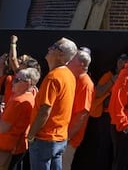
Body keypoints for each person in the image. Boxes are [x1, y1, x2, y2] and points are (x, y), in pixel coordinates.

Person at [27, 38, 79, 170]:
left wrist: (31, 135)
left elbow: (45, 110)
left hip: (45, 138)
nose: (49, 48)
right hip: (59, 138)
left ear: (61, 56)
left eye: (54, 46)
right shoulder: (69, 75)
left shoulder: (53, 77)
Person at [0, 67, 40, 170]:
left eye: (17, 80)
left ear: (28, 83)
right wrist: (3, 112)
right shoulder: (32, 94)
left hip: (6, 148)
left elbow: (2, 128)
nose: (12, 82)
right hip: (17, 146)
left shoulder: (18, 101)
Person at [62, 49, 94, 170]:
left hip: (69, 139)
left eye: (71, 61)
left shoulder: (85, 84)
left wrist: (67, 137)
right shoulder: (73, 79)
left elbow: (82, 114)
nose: (67, 63)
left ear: (81, 64)